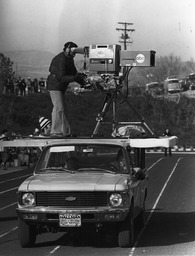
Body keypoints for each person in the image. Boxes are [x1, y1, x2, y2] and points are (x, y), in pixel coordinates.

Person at [46, 41, 86, 137]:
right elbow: (62, 77)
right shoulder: (61, 59)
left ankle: (65, 131)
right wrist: (75, 78)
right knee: (59, 107)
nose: (74, 54)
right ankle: (56, 131)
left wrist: (83, 82)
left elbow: (73, 74)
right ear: (67, 49)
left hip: (60, 87)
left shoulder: (68, 59)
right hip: (55, 86)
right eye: (73, 51)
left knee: (64, 109)